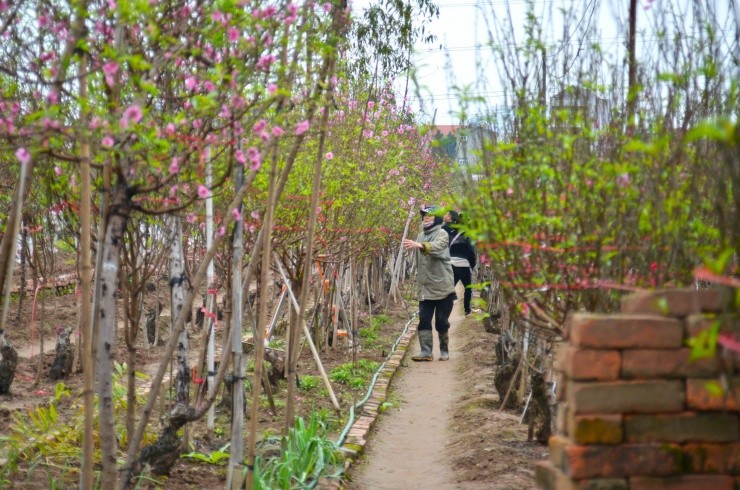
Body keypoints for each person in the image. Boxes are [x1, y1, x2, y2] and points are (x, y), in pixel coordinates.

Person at [403, 205, 456, 361]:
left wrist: (421, 246)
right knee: (424, 319)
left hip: (442, 286)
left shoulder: (442, 234)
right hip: (425, 287)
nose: (426, 218)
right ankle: (426, 352)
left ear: (436, 219)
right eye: (424, 216)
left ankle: (444, 350)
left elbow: (438, 248)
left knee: (441, 321)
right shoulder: (420, 235)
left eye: (430, 216)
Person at [443, 210, 478, 315]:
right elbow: (472, 253)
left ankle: (444, 307)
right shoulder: (468, 236)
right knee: (468, 288)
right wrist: (472, 265)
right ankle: (467, 310)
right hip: (464, 265)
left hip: (451, 264)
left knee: (449, 288)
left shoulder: (451, 233)